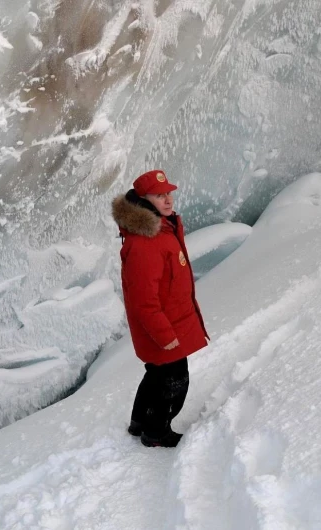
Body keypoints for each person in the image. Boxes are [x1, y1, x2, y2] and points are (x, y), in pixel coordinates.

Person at [112, 169, 209, 447]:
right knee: (174, 380)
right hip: (164, 329)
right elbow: (144, 301)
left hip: (169, 322)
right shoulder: (146, 242)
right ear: (143, 200)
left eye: (169, 193)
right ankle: (156, 432)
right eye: (159, 196)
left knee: (157, 374)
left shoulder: (161, 229)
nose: (168, 200)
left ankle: (139, 422)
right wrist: (165, 336)